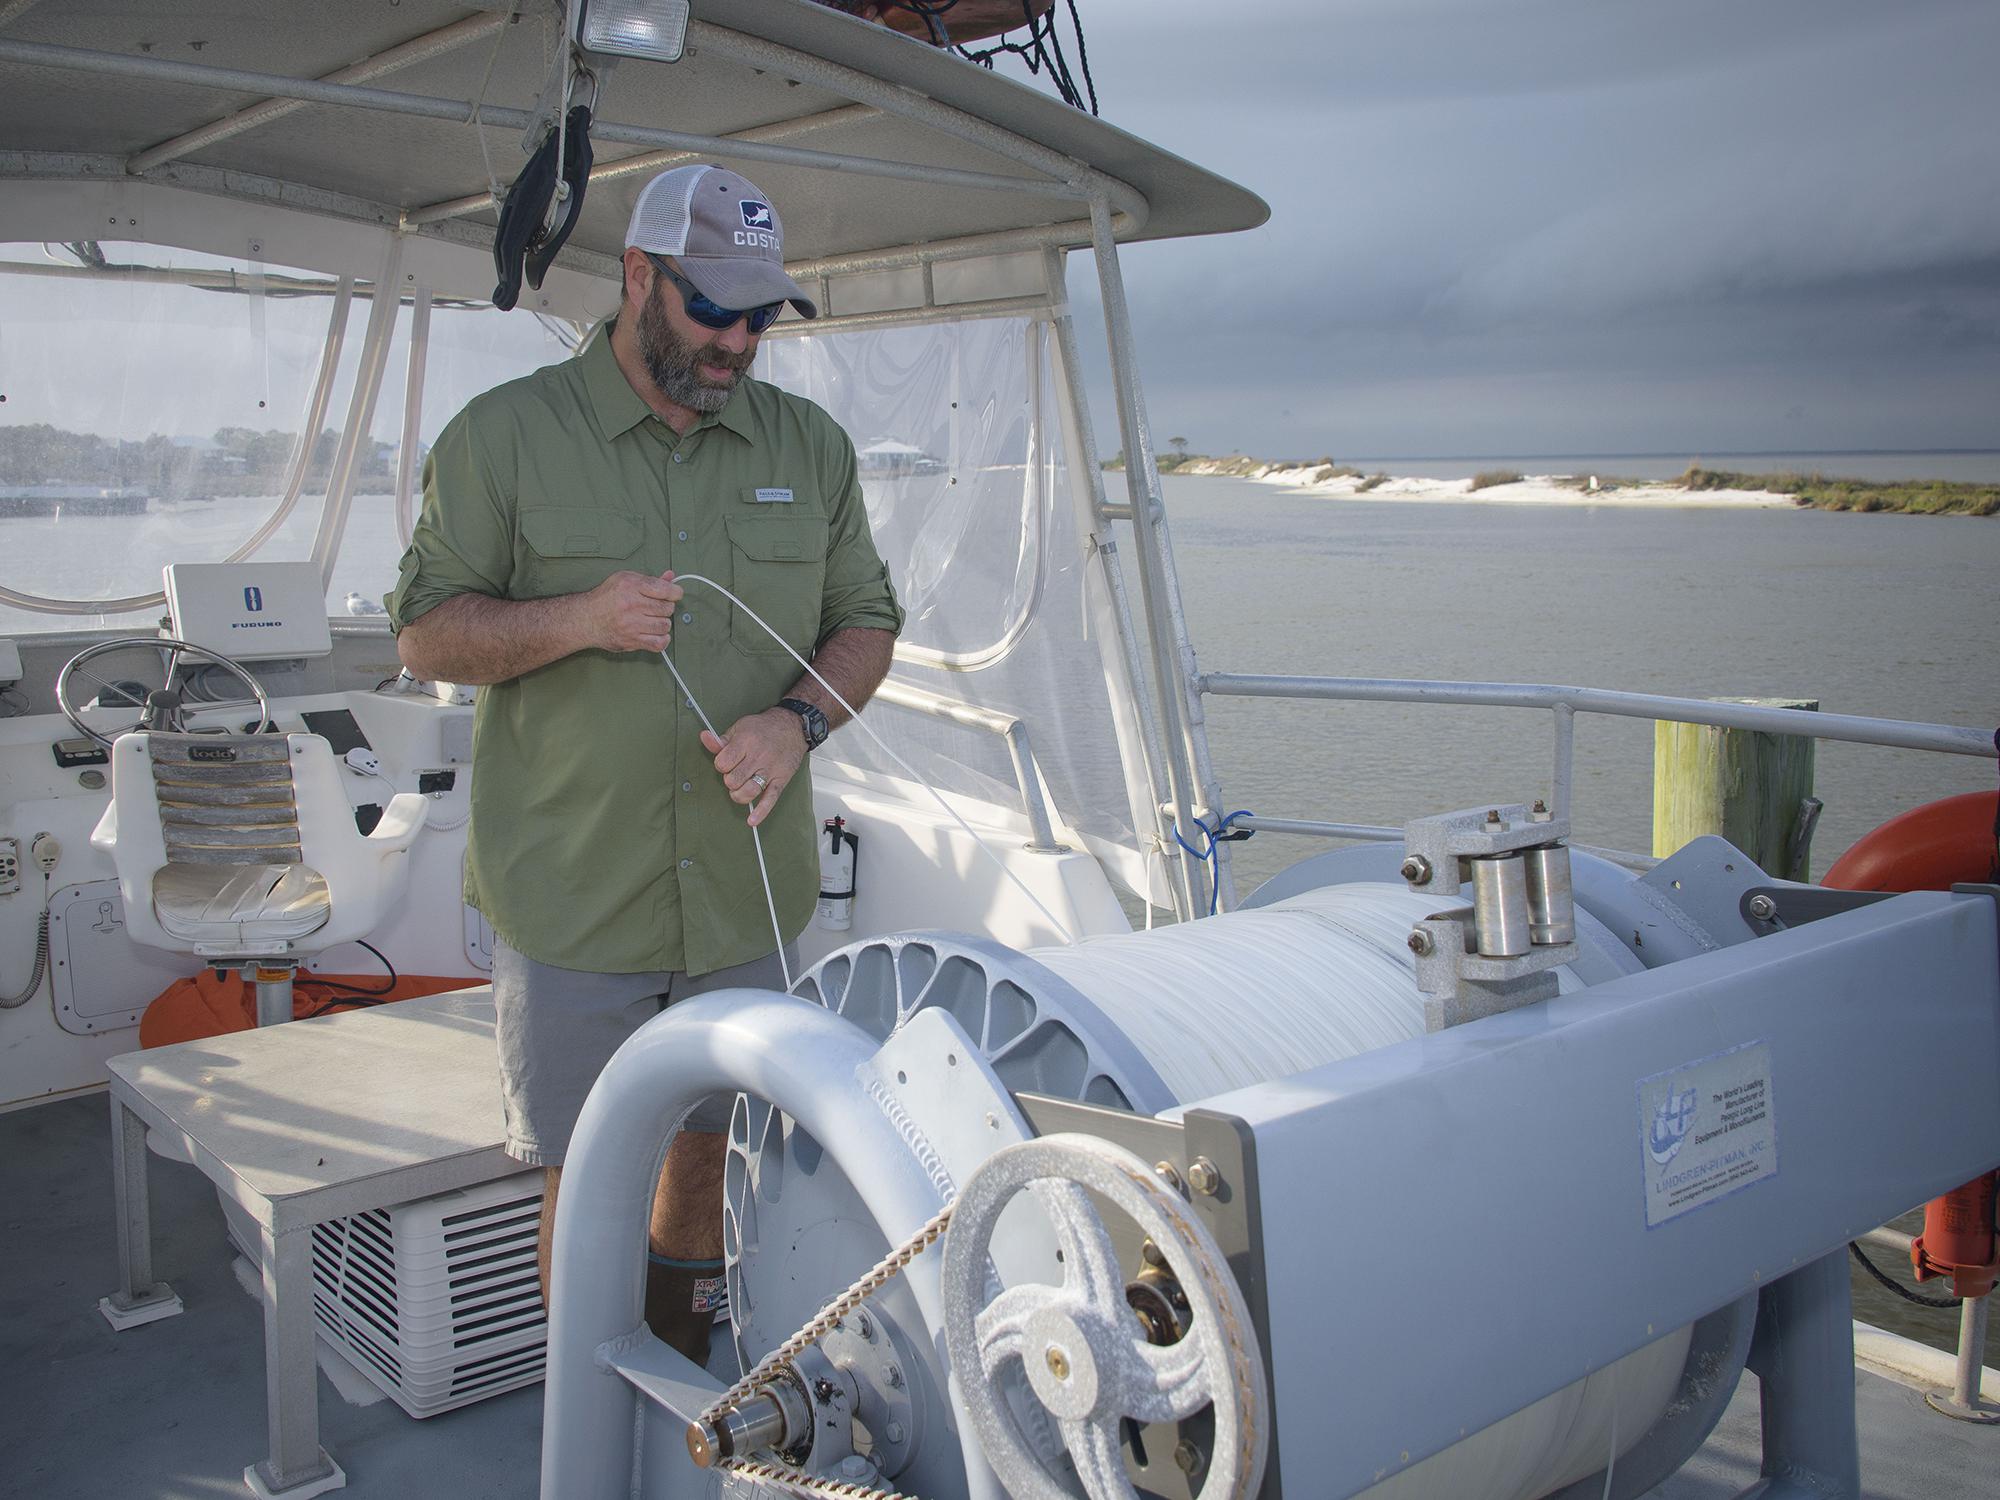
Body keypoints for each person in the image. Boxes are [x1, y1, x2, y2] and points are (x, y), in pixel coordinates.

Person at [387, 164, 902, 1362]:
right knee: (583, 1158)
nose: (736, 341)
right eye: (712, 308)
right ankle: (587, 1414)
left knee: (706, 1141)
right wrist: (577, 618)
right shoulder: (504, 439)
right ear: (637, 278)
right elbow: (422, 633)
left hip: (741, 891)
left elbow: (865, 620)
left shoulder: (807, 446)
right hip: (573, 891)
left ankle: (674, 1367)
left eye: (760, 315)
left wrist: (797, 724)